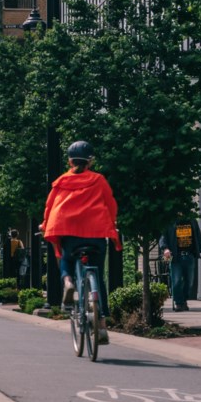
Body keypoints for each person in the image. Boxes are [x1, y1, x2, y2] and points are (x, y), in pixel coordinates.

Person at [40, 140, 122, 345]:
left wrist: (44, 224)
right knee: (98, 276)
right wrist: (112, 222)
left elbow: (50, 207)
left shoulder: (60, 182)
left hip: (69, 232)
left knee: (66, 259)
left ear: (69, 161)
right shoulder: (98, 179)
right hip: (95, 232)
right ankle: (102, 324)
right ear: (90, 161)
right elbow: (110, 203)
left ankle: (68, 282)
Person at [159, 218, 201, 312]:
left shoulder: (192, 221)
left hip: (189, 256)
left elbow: (198, 236)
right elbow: (163, 237)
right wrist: (165, 249)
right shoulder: (170, 221)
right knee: (176, 281)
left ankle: (184, 300)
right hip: (176, 257)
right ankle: (178, 303)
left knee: (189, 282)